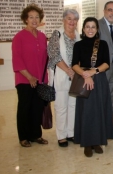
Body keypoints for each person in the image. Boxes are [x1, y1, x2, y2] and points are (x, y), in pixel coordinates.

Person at [72, 17, 113, 157]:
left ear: (97, 30)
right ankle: (87, 143)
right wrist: (86, 74)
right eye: (87, 27)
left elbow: (106, 63)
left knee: (99, 111)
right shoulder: (78, 45)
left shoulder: (102, 44)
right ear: (83, 29)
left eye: (93, 27)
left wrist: (93, 71)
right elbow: (74, 64)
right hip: (84, 81)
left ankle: (97, 141)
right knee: (86, 112)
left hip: (99, 80)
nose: (90, 29)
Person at [12, 4, 49, 147]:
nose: (34, 20)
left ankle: (36, 135)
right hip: (24, 80)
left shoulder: (42, 36)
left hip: (40, 79)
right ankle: (23, 137)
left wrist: (44, 78)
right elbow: (17, 59)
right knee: (24, 108)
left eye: (37, 17)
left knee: (37, 108)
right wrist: (29, 77)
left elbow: (45, 58)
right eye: (31, 17)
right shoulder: (19, 37)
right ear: (25, 19)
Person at [47, 9, 80, 147]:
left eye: (74, 19)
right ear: (63, 19)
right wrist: (68, 70)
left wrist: (75, 71)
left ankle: (71, 133)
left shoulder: (78, 36)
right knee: (61, 107)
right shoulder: (57, 34)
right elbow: (54, 55)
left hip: (75, 77)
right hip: (62, 75)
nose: (72, 22)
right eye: (69, 18)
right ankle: (61, 136)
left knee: (73, 105)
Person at [98, 1, 113, 134]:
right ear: (104, 11)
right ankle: (100, 126)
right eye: (110, 10)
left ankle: (109, 125)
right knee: (101, 98)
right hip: (102, 69)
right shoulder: (97, 25)